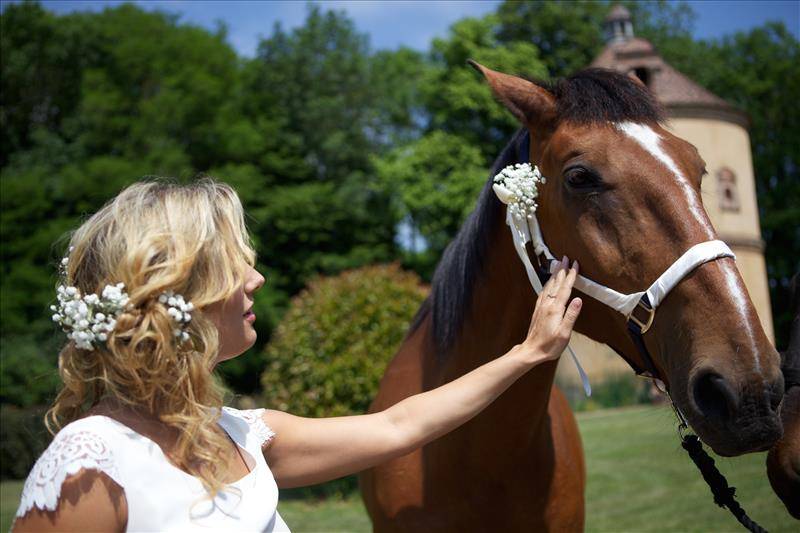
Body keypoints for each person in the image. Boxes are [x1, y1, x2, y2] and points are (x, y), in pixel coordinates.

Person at [12, 178, 582, 532]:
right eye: (235, 266)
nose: (256, 280)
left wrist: (529, 353)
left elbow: (398, 426)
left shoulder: (239, 435)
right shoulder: (89, 466)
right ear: (177, 293)